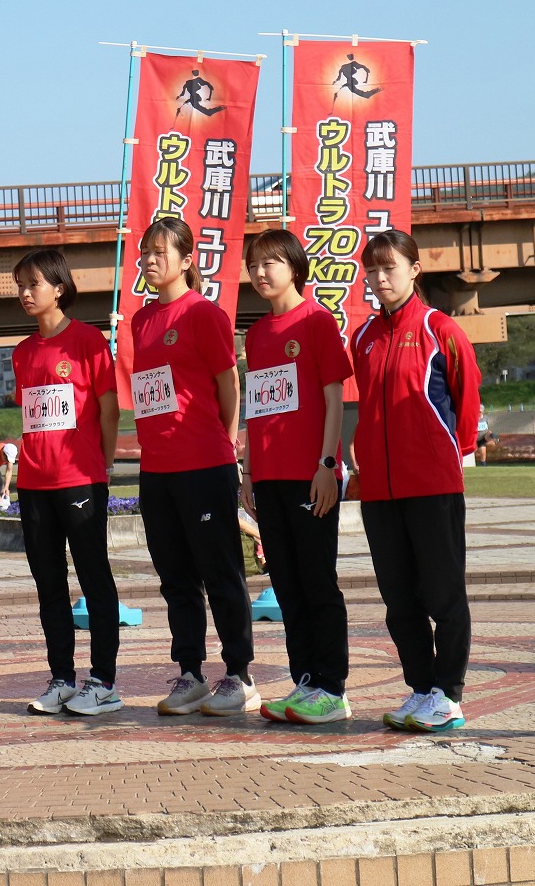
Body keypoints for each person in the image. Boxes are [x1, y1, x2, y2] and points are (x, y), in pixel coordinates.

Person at [350, 230, 481, 732]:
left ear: (414, 270)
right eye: (373, 270)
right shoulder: (362, 337)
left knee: (444, 594)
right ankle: (421, 688)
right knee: (399, 598)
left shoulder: (439, 327)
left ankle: (448, 693)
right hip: (380, 491)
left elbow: (466, 400)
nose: (380, 279)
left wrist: (456, 454)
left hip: (433, 484)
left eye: (390, 268)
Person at [130, 217, 255, 716]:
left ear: (187, 261)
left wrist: (223, 443)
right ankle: (190, 673)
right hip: (156, 469)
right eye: (145, 252)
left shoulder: (205, 314)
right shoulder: (140, 321)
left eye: (160, 252)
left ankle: (240, 675)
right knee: (175, 577)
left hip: (204, 463)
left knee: (220, 571)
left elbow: (230, 387)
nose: (149, 260)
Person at [238, 230, 354, 725]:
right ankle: (305, 680)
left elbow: (333, 399)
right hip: (267, 477)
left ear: (294, 266)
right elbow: (258, 407)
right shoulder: (257, 335)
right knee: (285, 582)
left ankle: (332, 687)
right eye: (254, 264)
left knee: (316, 581)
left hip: (311, 476)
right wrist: (247, 469)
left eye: (272, 262)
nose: (262, 273)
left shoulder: (317, 321)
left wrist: (328, 465)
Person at [13, 248, 124, 715]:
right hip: (33, 484)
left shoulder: (88, 341)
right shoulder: (21, 352)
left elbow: (109, 408)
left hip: (80, 480)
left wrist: (102, 462)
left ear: (59, 288)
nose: (24, 293)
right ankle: (61, 677)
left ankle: (103, 681)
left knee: (94, 577)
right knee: (48, 584)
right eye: (20, 285)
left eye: (34, 283)